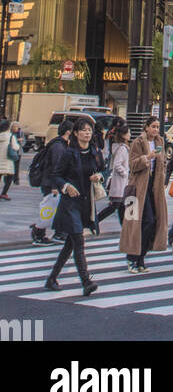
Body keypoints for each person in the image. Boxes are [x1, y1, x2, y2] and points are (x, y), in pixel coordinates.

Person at [43, 117, 105, 295]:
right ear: (76, 133)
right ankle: (86, 281)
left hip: (86, 202)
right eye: (84, 130)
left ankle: (52, 278)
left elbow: (102, 169)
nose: (87, 133)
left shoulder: (94, 152)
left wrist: (98, 177)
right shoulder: (69, 153)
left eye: (89, 130)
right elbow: (56, 175)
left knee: (70, 244)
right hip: (70, 203)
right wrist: (66, 186)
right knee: (78, 240)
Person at [119, 116, 168, 274]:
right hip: (136, 188)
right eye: (153, 126)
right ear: (146, 127)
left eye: (157, 126)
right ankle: (132, 257)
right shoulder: (138, 142)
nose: (155, 130)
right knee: (136, 221)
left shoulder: (160, 141)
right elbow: (132, 164)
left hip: (154, 187)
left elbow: (163, 163)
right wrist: (147, 158)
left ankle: (141, 257)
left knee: (152, 221)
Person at [30, 118, 73, 246]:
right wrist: (55, 186)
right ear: (68, 132)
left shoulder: (58, 144)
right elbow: (56, 168)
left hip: (52, 183)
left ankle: (58, 233)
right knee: (49, 209)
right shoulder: (59, 147)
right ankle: (38, 233)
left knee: (56, 208)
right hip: (51, 184)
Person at [96, 122, 130, 228]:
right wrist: (125, 174)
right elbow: (117, 164)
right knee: (115, 205)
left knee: (120, 206)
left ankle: (125, 226)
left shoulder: (119, 147)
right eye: (128, 133)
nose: (130, 135)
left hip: (120, 183)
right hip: (120, 182)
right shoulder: (122, 149)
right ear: (124, 135)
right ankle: (95, 221)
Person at [0, 118, 19, 198]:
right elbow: (16, 147)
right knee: (10, 176)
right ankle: (4, 193)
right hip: (7, 160)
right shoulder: (11, 137)